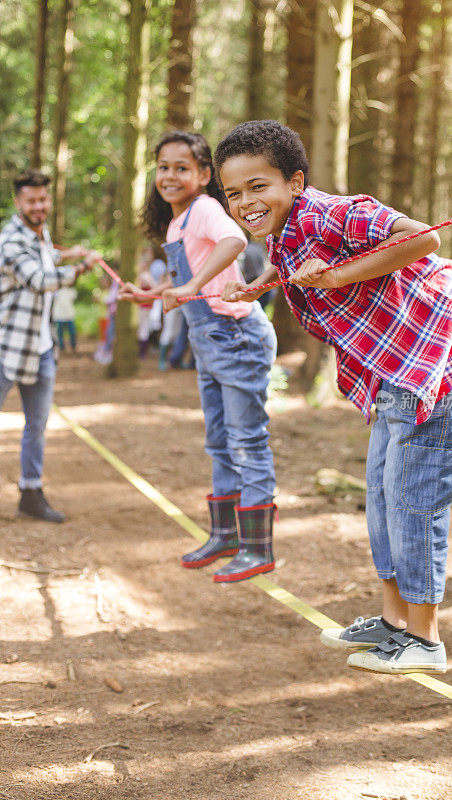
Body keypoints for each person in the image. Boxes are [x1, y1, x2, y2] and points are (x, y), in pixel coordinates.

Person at [214, 120, 452, 673]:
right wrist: (259, 284)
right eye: (234, 193)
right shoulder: (286, 230)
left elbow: (424, 237)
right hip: (400, 362)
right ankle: (395, 622)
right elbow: (290, 258)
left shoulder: (331, 212)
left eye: (259, 186)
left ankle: (425, 639)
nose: (246, 202)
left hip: (444, 348)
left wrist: (340, 277)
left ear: (296, 183)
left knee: (415, 492)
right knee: (381, 488)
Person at [119, 130, 277, 582]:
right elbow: (196, 283)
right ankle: (226, 533)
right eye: (163, 167)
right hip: (208, 341)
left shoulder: (207, 209)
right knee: (218, 441)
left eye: (181, 167)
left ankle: (258, 547)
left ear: (204, 175)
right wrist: (149, 295)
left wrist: (186, 287)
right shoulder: (179, 222)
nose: (170, 175)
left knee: (246, 441)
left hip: (235, 336)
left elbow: (234, 242)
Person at [0, 169, 98, 522]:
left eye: (43, 199)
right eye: (31, 200)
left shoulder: (40, 236)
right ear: (18, 202)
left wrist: (67, 254)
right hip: (6, 346)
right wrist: (82, 266)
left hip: (41, 349)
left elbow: (45, 260)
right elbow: (38, 280)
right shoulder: (10, 240)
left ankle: (30, 493)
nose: (39, 205)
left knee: (36, 427)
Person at [53, 285, 77, 352]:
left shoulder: (71, 290)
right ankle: (61, 347)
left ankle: (73, 346)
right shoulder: (56, 290)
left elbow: (73, 298)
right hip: (59, 315)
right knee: (60, 333)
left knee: (72, 332)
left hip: (69, 315)